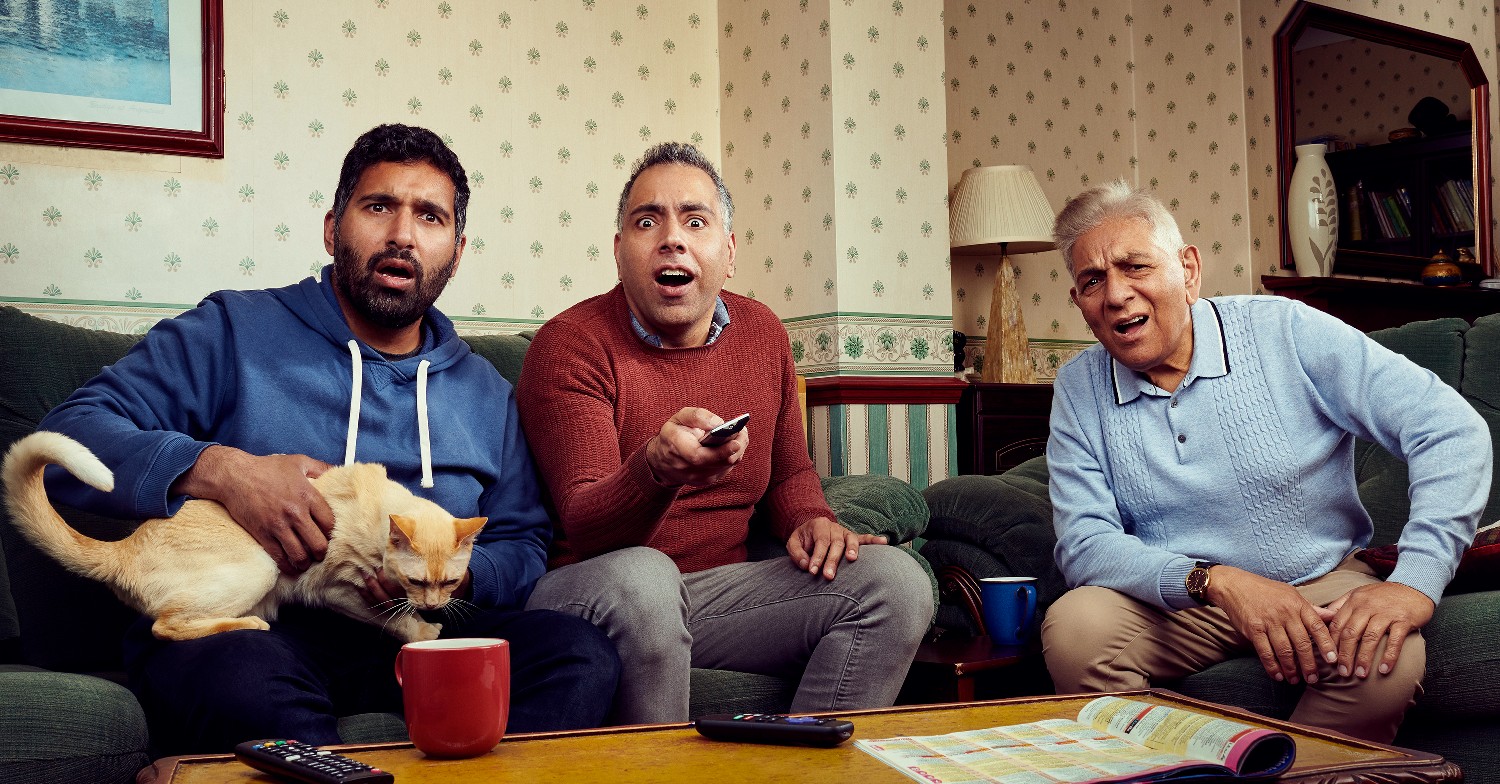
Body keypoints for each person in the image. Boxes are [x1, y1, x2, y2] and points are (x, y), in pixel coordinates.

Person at [37, 123, 619, 754]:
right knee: (244, 684)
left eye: (429, 216)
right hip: (262, 626)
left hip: (416, 626)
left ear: (456, 249)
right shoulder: (232, 330)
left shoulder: (485, 391)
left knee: (580, 657)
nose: (402, 234)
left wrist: (454, 574)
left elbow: (523, 540)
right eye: (378, 207)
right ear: (331, 227)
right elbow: (71, 433)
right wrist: (225, 471)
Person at [1040, 180, 1491, 743]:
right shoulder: (1079, 387)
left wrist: (1415, 582)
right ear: (1080, 304)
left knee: (1384, 657)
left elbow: (1449, 429)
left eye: (1136, 267)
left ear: (1188, 269)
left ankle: (1287, 772)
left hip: (1318, 580)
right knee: (1076, 627)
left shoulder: (1284, 329)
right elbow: (1084, 541)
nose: (1116, 295)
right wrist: (1216, 582)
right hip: (1187, 600)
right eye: (1092, 281)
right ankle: (1156, 772)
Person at [515, 141, 932, 724]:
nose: (672, 238)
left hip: (715, 598)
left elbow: (789, 470)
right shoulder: (570, 344)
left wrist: (811, 521)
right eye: (646, 221)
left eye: (694, 220)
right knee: (646, 577)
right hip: (590, 594)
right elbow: (585, 526)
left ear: (728, 251)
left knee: (898, 584)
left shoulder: (762, 333)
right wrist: (654, 470)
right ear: (619, 251)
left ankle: (803, 773)